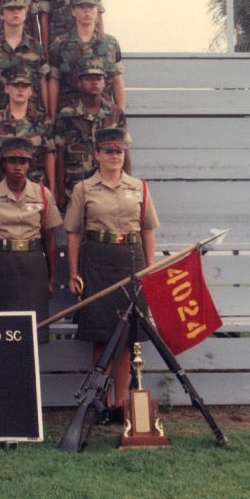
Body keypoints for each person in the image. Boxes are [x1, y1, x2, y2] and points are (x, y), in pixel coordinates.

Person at [64, 127, 158, 418]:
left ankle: (121, 404)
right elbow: (74, 234)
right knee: (102, 336)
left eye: (119, 151)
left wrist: (150, 269)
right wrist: (74, 272)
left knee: (129, 337)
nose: (114, 156)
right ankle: (98, 401)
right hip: (97, 262)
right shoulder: (84, 189)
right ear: (97, 155)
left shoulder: (139, 187)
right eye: (108, 151)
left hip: (131, 260)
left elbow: (147, 229)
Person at [0, 136, 62, 343]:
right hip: (2, 263)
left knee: (33, 330)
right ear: (3, 163)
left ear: (29, 165)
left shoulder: (42, 194)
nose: (18, 167)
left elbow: (49, 238)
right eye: (12, 161)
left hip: (32, 264)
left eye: (23, 162)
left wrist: (50, 278)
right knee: (2, 330)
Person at [54, 56, 128, 212]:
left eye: (99, 78)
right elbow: (60, 155)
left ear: (105, 83)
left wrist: (127, 183)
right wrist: (59, 190)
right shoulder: (67, 115)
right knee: (75, 233)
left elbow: (125, 151)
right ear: (79, 83)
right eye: (89, 78)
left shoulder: (115, 113)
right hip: (75, 188)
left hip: (108, 187)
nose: (94, 82)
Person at [0, 66, 56, 195]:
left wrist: (52, 189)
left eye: (25, 86)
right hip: (1, 191)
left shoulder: (43, 122)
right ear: (7, 88)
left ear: (31, 90)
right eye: (15, 85)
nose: (20, 89)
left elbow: (50, 155)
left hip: (35, 191)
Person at [0, 0, 50, 119]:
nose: (15, 12)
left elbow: (43, 84)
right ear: (2, 14)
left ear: (25, 13)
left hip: (30, 118)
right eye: (10, 8)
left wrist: (48, 115)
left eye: (19, 8)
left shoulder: (36, 47)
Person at [48, 0, 125, 114]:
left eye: (91, 7)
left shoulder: (110, 44)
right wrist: (51, 116)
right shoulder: (60, 44)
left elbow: (117, 79)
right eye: (82, 7)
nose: (87, 10)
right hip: (69, 115)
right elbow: (54, 81)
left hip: (103, 114)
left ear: (97, 11)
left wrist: (120, 113)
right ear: (73, 11)